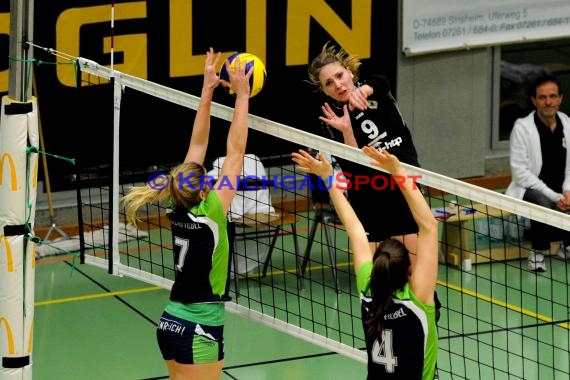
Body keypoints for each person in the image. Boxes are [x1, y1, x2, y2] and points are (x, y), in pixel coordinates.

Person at [122, 48, 252, 379]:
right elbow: (235, 151)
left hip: (170, 323)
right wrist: (243, 95)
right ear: (205, 190)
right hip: (200, 328)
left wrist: (208, 91)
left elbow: (197, 147)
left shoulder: (178, 203)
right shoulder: (211, 211)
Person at [292, 147, 439, 379]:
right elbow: (429, 226)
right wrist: (397, 170)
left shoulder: (369, 291)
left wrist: (328, 178)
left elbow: (356, 230)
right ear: (410, 270)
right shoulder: (418, 299)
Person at [307, 42, 421, 257]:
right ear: (324, 90)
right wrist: (347, 131)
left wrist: (366, 89)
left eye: (340, 76)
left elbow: (383, 81)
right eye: (329, 83)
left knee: (411, 270)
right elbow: (353, 171)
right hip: (369, 197)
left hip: (402, 188)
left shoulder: (376, 91)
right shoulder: (332, 121)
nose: (338, 85)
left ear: (350, 72)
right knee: (379, 276)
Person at [506, 74, 570, 272]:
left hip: (561, 188)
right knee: (542, 203)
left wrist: (567, 191)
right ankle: (538, 252)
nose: (548, 102)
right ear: (534, 100)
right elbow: (520, 173)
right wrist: (555, 196)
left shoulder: (567, 124)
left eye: (552, 96)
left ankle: (566, 246)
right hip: (529, 188)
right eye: (542, 97)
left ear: (560, 98)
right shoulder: (522, 127)